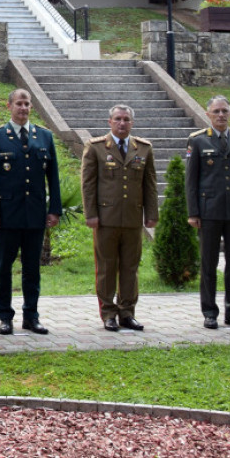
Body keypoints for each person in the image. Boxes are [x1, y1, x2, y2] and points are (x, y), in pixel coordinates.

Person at [0, 89, 61, 336]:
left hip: (34, 215)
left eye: (27, 104)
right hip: (6, 216)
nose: (23, 108)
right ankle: (5, 317)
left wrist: (54, 210)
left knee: (32, 269)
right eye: (19, 103)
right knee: (3, 268)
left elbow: (53, 177)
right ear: (9, 106)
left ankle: (31, 316)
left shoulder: (45, 136)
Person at [81, 104, 158, 332]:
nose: (122, 123)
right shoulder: (95, 148)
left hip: (133, 218)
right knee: (106, 267)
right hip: (106, 219)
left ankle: (127, 312)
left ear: (132, 123)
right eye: (118, 119)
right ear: (110, 122)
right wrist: (91, 214)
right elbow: (88, 184)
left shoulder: (143, 149)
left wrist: (151, 214)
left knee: (130, 268)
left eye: (126, 119)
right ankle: (108, 313)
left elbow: (150, 184)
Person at [186, 95, 230, 329]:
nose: (221, 115)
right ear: (208, 115)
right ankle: (209, 312)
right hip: (209, 212)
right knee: (208, 263)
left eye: (224, 111)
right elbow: (191, 180)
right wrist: (193, 212)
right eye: (216, 111)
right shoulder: (197, 142)